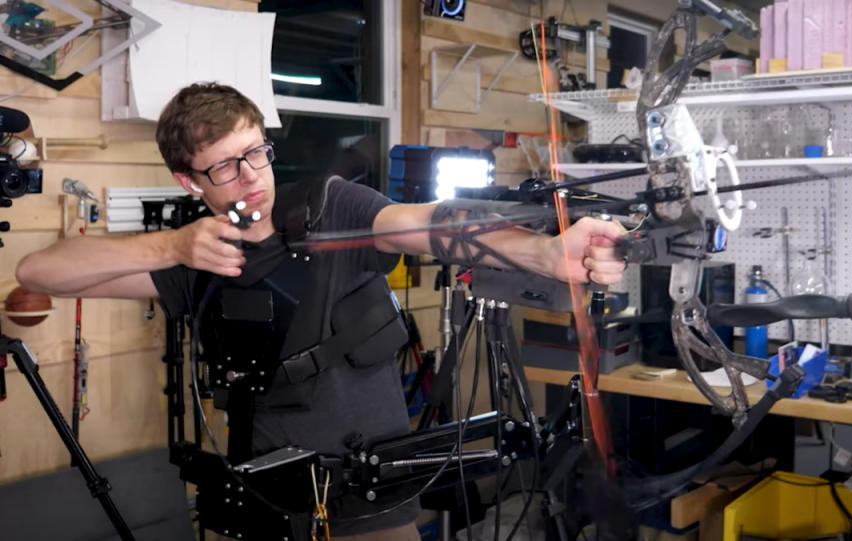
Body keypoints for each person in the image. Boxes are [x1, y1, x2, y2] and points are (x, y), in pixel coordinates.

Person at [15, 83, 627, 540]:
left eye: (256, 152)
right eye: (224, 166)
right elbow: (37, 273)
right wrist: (169, 245)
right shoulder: (193, 255)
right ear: (188, 182)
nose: (251, 176)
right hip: (264, 502)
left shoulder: (332, 208)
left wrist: (545, 253)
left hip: (372, 499)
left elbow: (427, 223)